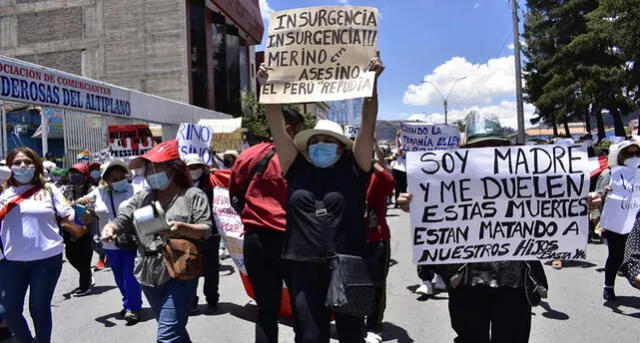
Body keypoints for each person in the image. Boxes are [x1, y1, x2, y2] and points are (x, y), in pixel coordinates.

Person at [260, 53, 384, 343]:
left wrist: (372, 83)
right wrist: (267, 87)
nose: (320, 144)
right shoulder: (295, 167)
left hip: (349, 265)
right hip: (302, 267)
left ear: (341, 147)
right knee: (310, 336)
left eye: (327, 141)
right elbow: (276, 124)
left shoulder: (356, 167)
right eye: (314, 140)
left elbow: (369, 123)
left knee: (351, 336)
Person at [397, 112, 548, 343]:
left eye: (495, 144)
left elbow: (553, 206)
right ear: (467, 151)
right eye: (482, 146)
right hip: (467, 281)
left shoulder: (525, 176)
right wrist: (416, 206)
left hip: (514, 282)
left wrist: (579, 203)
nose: (489, 150)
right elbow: (433, 213)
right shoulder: (450, 180)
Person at [101, 140, 213, 343]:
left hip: (180, 270)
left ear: (173, 168)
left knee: (166, 336)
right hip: (147, 272)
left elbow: (206, 230)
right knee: (171, 328)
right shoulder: (143, 197)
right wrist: (112, 227)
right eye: (149, 168)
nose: (152, 172)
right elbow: (125, 216)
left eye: (157, 166)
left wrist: (182, 227)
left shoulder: (191, 195)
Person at [229, 108, 305, 343]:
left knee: (266, 310)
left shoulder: (249, 155)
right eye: (300, 131)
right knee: (302, 307)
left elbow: (235, 195)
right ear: (290, 129)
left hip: (257, 242)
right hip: (295, 242)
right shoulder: (300, 158)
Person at [0, 147, 74, 343]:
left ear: (36, 166)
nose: (23, 166)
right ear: (9, 168)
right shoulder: (3, 192)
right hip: (11, 261)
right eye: (17, 163)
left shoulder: (49, 190)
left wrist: (81, 214)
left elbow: (67, 215)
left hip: (47, 260)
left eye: (28, 162)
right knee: (7, 310)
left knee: (39, 308)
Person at [78, 159, 143, 324]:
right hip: (108, 243)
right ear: (106, 179)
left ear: (125, 174)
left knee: (130, 275)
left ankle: (133, 308)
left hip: (132, 240)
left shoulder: (136, 190)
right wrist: (84, 211)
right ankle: (127, 300)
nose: (117, 180)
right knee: (119, 275)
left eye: (120, 176)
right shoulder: (98, 193)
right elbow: (79, 208)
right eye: (112, 178)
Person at [592, 141, 640, 301]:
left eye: (637, 154)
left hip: (636, 223)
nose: (634, 157)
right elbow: (597, 198)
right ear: (620, 156)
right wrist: (605, 195)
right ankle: (608, 286)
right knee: (616, 256)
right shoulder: (609, 174)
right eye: (629, 154)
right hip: (616, 224)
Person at [364, 145, 396, 343]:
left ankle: (373, 326)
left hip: (376, 238)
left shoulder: (376, 176)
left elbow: (389, 182)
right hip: (349, 239)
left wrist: (374, 162)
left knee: (376, 285)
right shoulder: (343, 173)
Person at [183, 154, 220, 313]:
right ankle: (191, 300)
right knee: (190, 268)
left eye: (197, 166)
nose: (194, 170)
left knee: (211, 269)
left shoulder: (211, 182)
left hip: (210, 232)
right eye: (190, 167)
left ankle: (212, 299)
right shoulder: (181, 184)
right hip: (189, 232)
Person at [62, 163, 97, 296]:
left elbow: (93, 209)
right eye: (72, 172)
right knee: (70, 255)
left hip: (85, 228)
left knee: (84, 257)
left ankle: (85, 286)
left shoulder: (92, 190)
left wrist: (78, 208)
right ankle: (87, 273)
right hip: (69, 228)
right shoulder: (66, 189)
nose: (75, 175)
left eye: (78, 173)